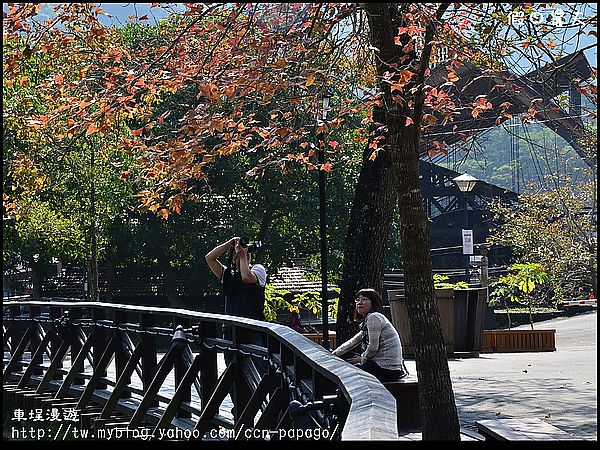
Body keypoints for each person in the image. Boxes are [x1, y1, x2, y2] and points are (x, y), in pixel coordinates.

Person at [332, 288, 407, 382]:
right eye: (357, 299)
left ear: (373, 302)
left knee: (347, 371)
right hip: (382, 366)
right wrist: (334, 354)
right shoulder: (369, 320)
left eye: (364, 299)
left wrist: (362, 359)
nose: (360, 302)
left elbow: (373, 347)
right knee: (345, 355)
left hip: (386, 369)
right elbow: (353, 342)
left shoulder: (374, 317)